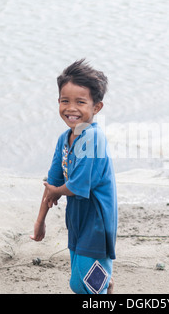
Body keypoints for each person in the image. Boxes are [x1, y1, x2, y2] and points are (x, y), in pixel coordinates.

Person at [30, 59, 117, 294]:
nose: (71, 108)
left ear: (96, 107)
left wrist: (57, 191)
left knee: (82, 285)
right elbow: (52, 182)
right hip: (77, 219)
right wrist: (40, 221)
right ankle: (105, 284)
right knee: (83, 275)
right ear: (58, 101)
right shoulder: (64, 140)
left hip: (97, 220)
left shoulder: (93, 138)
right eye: (65, 101)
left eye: (80, 102)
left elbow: (77, 185)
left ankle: (104, 284)